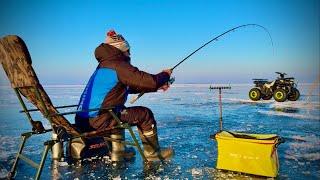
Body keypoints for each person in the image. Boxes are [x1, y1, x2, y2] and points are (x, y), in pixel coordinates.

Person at [75, 30, 174, 161]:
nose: (130, 53)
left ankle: (119, 151)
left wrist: (157, 87)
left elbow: (124, 87)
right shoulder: (118, 65)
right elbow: (149, 81)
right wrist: (165, 75)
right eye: (128, 50)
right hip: (100, 120)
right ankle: (153, 154)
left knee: (118, 112)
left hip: (84, 119)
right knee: (144, 114)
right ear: (121, 49)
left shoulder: (104, 66)